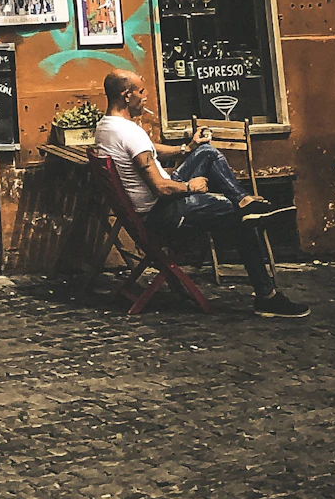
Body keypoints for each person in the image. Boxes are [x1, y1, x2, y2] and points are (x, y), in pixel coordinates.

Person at [95, 72, 309, 319]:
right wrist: (190, 187)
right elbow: (160, 188)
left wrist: (187, 148)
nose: (145, 97)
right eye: (142, 92)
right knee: (240, 217)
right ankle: (266, 296)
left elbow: (149, 152)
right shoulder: (130, 133)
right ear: (127, 95)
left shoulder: (106, 127)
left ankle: (243, 199)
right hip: (160, 212)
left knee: (207, 152)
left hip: (145, 209)